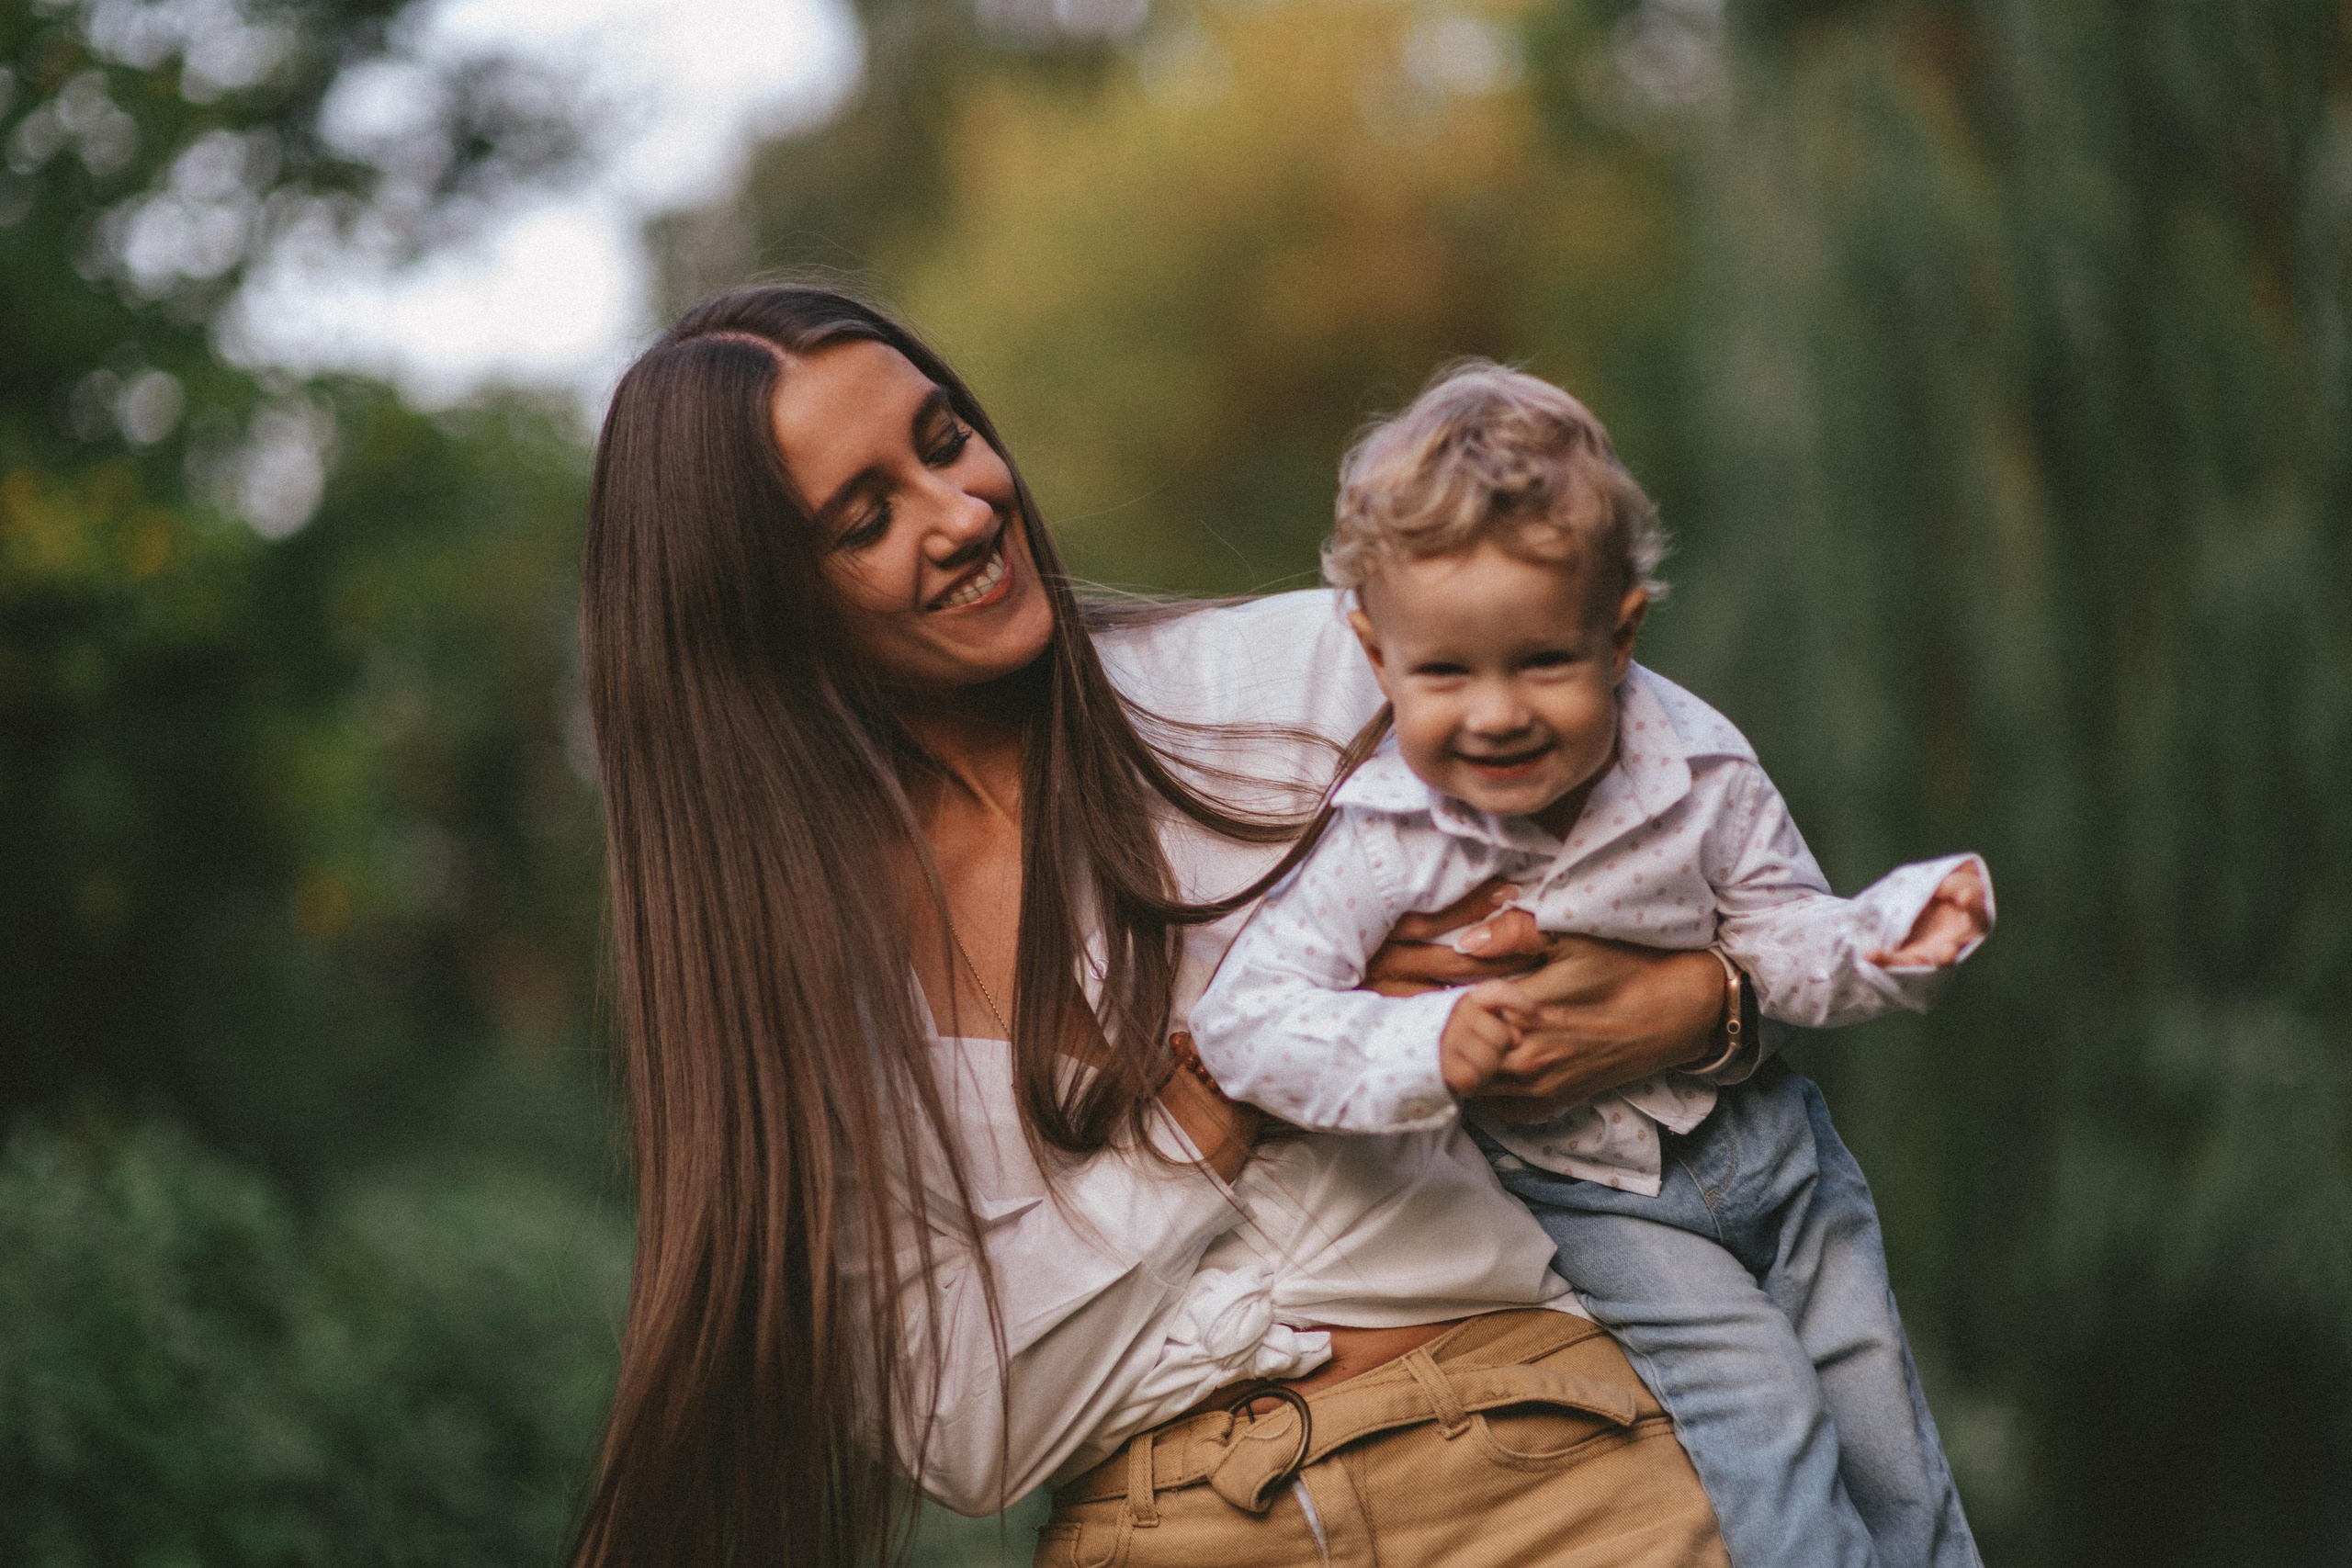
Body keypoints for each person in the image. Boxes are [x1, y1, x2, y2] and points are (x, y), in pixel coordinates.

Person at [568, 283, 1768, 1568]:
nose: (966, 510)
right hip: (1160, 1537)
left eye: (943, 439)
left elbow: (1713, 850)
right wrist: (1232, 1096)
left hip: (1554, 1468)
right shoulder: (797, 980)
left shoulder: (1310, 678)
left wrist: (1707, 1006)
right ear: (762, 612)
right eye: (869, 518)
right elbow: (967, 1434)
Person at [1189, 362, 1993, 1568]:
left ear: (1620, 635)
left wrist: (1888, 937)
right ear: (1375, 653)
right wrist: (1421, 1045)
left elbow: (1780, 935)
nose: (1497, 713)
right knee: (1761, 1420)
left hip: (1776, 1144)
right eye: (1446, 674)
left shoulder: (1699, 765)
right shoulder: (1382, 838)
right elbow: (1248, 1022)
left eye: (1541, 664)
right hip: (1601, 1197)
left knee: (1884, 1431)